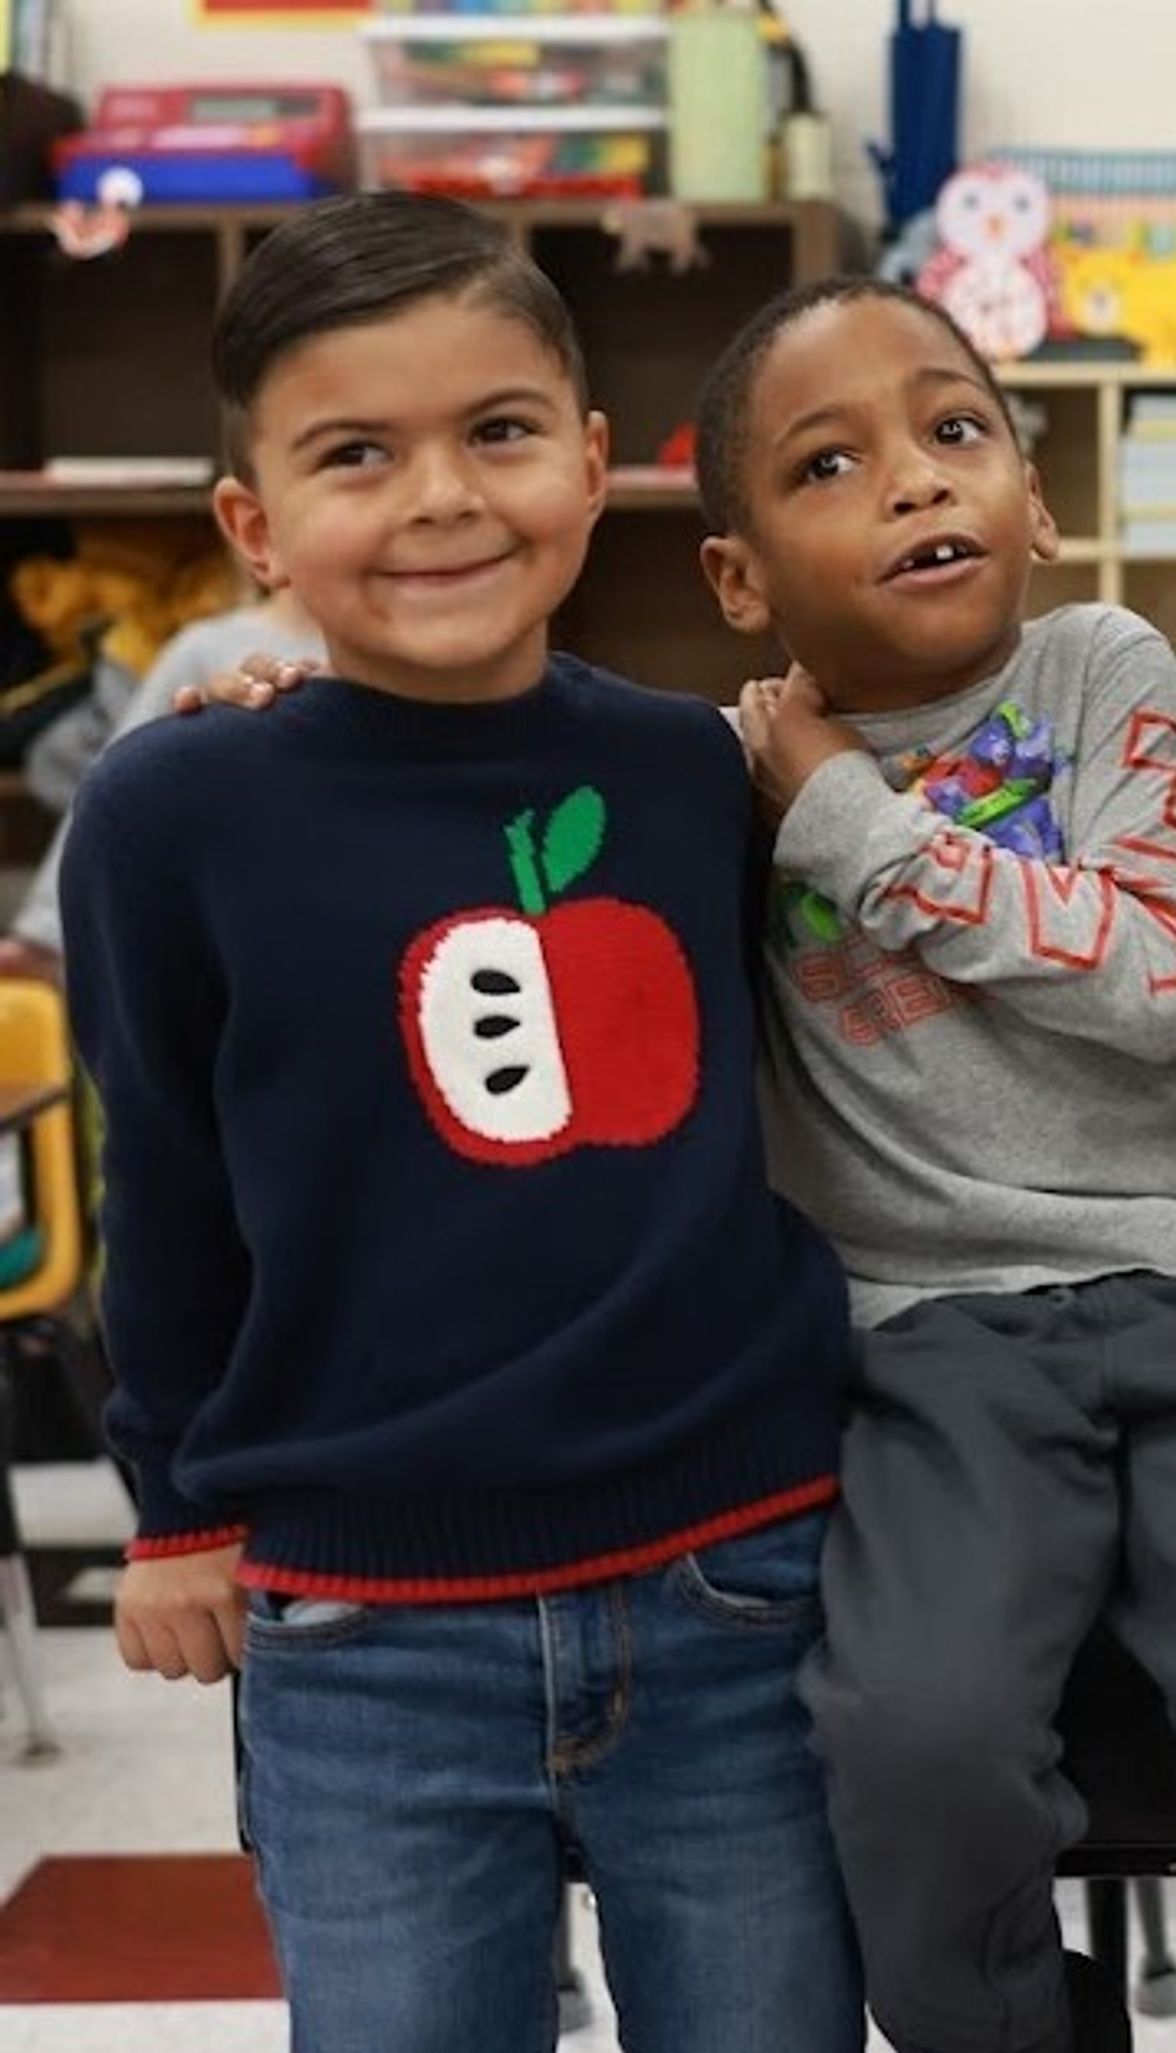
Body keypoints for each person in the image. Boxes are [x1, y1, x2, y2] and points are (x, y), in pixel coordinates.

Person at [59, 191, 862, 2052]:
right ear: (256, 528)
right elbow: (163, 1172)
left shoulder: (695, 771)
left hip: (735, 1570)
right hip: (363, 1619)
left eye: (497, 432)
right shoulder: (171, 813)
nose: (440, 497)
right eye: (358, 454)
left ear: (592, 466)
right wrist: (173, 1505)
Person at [689, 272, 1176, 2053]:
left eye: (955, 434)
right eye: (831, 463)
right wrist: (262, 694)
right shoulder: (714, 775)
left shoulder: (1101, 669)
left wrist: (853, 820)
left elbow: (1155, 984)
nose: (918, 482)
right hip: (922, 1332)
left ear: (1035, 496)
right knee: (909, 1735)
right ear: (738, 575)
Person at [0, 582, 324, 983]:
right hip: (235, 938)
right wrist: (47, 933)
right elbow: (115, 794)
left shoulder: (411, 654)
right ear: (254, 535)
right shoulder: (205, 649)